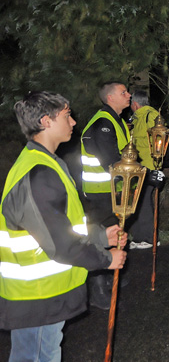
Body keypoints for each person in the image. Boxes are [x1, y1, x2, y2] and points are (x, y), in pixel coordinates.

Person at [1, 91, 127, 362]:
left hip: (43, 290)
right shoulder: (38, 173)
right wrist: (105, 259)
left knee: (44, 352)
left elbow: (57, 224)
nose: (73, 122)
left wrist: (99, 235)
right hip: (35, 293)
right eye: (67, 115)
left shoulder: (45, 162)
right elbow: (60, 243)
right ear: (46, 121)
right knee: (35, 356)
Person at [80, 81, 131, 309]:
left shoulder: (114, 119)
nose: (128, 95)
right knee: (100, 239)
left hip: (110, 190)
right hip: (100, 192)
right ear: (111, 98)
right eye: (123, 92)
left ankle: (110, 277)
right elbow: (112, 161)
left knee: (113, 234)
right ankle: (98, 291)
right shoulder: (103, 123)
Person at [128, 90, 160, 249]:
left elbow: (159, 140)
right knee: (137, 201)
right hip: (137, 166)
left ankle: (150, 238)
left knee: (144, 201)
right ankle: (139, 237)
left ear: (135, 103)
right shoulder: (136, 118)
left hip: (149, 166)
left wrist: (156, 165)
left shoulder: (151, 115)